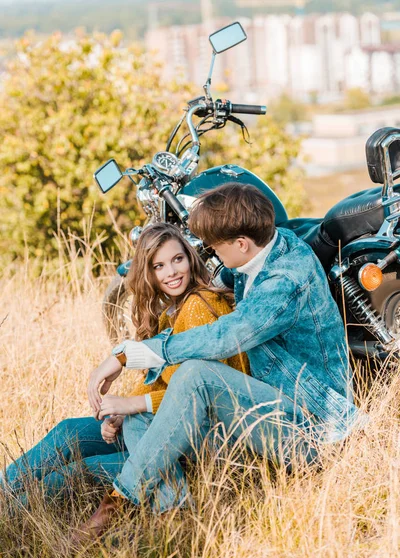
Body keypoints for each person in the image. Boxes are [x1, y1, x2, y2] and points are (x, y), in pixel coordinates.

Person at [85, 182, 368, 531]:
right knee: (139, 417)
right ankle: (175, 515)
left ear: (241, 244)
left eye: (216, 248)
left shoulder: (284, 281)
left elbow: (225, 335)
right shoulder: (266, 246)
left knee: (195, 375)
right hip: (270, 406)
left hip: (312, 430)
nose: (213, 255)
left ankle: (114, 506)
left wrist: (130, 354)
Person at [1, 223, 248, 512]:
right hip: (155, 424)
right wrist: (120, 414)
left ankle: (11, 513)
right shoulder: (172, 310)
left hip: (197, 439)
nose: (171, 272)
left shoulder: (197, 307)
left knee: (77, 472)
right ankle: (5, 494)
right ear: (148, 273)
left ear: (190, 259)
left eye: (177, 259)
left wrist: (133, 405)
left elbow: (200, 399)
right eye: (159, 265)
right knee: (69, 432)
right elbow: (158, 381)